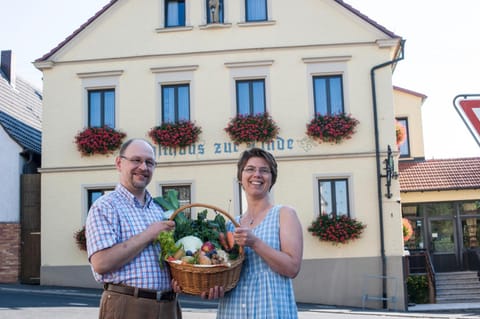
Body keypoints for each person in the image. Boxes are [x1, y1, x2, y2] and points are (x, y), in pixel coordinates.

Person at [85, 138, 182, 319]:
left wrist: (178, 279)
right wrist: (149, 234)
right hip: (127, 305)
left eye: (150, 162)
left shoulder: (160, 209)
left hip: (169, 306)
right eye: (136, 160)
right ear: (119, 163)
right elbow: (101, 263)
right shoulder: (105, 206)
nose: (144, 167)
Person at [216, 147, 304, 319]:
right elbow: (223, 275)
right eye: (250, 169)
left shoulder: (284, 214)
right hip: (233, 311)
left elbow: (292, 268)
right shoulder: (231, 224)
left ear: (272, 179)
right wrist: (212, 289)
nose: (257, 174)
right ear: (241, 177)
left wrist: (255, 243)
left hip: (270, 310)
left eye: (264, 170)